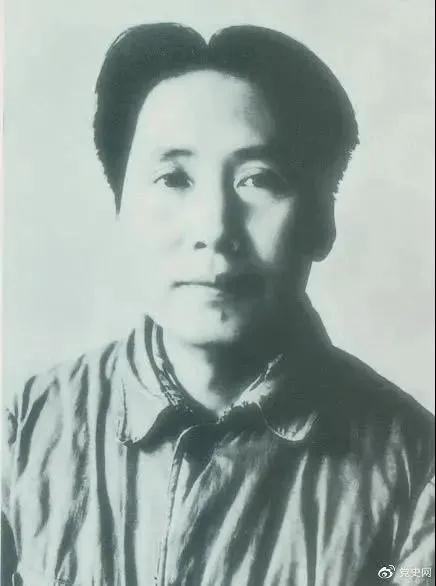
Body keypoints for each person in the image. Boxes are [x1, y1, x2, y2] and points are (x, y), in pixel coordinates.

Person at [2, 23, 434, 586]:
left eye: (258, 179)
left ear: (321, 220)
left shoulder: (415, 471)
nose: (214, 229)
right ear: (120, 208)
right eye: (173, 178)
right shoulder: (25, 430)